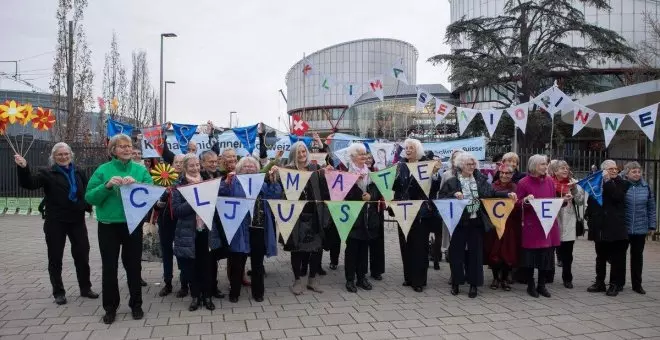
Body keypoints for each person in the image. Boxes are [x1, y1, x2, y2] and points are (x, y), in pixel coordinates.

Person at [14, 144, 98, 306]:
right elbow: (29, 183)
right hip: (56, 221)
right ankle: (58, 292)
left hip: (77, 220)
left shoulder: (78, 171)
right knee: (55, 257)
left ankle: (85, 288)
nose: (63, 156)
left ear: (71, 155)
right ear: (54, 156)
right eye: (59, 154)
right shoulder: (47, 173)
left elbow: (88, 190)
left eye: (66, 154)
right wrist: (23, 167)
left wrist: (87, 206)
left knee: (82, 255)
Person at [85, 134, 153, 324]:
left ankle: (136, 304)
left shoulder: (140, 170)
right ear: (113, 150)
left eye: (129, 146)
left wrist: (138, 185)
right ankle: (110, 308)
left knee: (133, 266)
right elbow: (90, 198)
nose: (126, 149)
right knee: (109, 268)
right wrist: (106, 186)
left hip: (133, 225)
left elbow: (151, 193)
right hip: (108, 226)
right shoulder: (103, 170)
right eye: (121, 146)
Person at [439, 153, 517, 298]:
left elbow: (491, 193)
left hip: (476, 221)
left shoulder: (480, 179)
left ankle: (474, 284)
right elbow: (441, 198)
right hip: (458, 222)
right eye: (469, 164)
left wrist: (507, 195)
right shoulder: (452, 181)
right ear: (461, 165)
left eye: (473, 164)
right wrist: (454, 194)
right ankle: (456, 282)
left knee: (475, 254)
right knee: (457, 254)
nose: (472, 167)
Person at [219, 156, 282, 302]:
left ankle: (258, 292)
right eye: (245, 166)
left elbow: (275, 194)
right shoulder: (233, 181)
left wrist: (273, 181)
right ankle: (234, 292)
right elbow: (221, 193)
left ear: (257, 169)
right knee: (237, 262)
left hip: (258, 227)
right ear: (239, 169)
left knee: (257, 263)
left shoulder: (261, 182)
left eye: (252, 166)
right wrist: (226, 183)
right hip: (240, 228)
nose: (249, 168)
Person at [172, 154, 224, 311]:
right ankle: (195, 296)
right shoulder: (179, 185)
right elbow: (176, 211)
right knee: (192, 266)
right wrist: (193, 200)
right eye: (191, 166)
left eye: (196, 165)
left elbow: (217, 206)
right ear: (185, 167)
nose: (195, 168)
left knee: (207, 265)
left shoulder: (208, 182)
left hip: (206, 231)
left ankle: (207, 296)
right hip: (189, 232)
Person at [281, 141, 328, 295]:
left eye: (304, 151)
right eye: (298, 152)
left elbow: (323, 189)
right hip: (296, 215)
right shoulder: (288, 170)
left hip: (314, 214)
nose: (302, 155)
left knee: (316, 249)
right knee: (297, 250)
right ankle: (297, 281)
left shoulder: (314, 169)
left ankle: (312, 280)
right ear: (293, 154)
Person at [392, 138, 439, 293]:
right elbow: (396, 187)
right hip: (403, 210)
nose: (408, 150)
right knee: (406, 245)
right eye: (406, 147)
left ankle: (419, 281)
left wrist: (435, 175)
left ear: (418, 150)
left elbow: (434, 187)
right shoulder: (401, 165)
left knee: (420, 246)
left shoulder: (427, 164)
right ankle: (409, 277)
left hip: (421, 212)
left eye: (411, 147)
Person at [516, 154, 563, 298]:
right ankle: (531, 285)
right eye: (542, 164)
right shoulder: (523, 182)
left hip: (547, 224)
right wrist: (525, 200)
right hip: (532, 225)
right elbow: (517, 203)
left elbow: (552, 200)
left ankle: (542, 285)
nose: (545, 166)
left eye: (546, 164)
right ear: (534, 166)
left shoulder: (549, 181)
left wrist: (563, 200)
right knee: (531, 258)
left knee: (545, 257)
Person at [586, 160, 629, 296]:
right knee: (600, 257)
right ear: (603, 170)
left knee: (616, 257)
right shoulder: (596, 183)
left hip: (615, 226)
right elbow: (591, 202)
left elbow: (617, 196)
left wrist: (608, 181)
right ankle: (599, 282)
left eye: (615, 168)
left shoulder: (621, 183)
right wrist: (591, 221)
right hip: (600, 226)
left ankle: (614, 284)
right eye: (610, 169)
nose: (614, 171)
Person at [343, 143, 382, 292]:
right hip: (352, 216)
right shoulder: (346, 172)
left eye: (365, 154)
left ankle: (362, 277)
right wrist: (358, 191)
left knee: (364, 248)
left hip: (368, 216)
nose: (364, 156)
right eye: (360, 154)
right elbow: (342, 192)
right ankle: (350, 279)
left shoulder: (371, 172)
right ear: (353, 157)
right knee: (352, 249)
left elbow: (378, 190)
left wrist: (371, 196)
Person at [483, 163, 520, 291]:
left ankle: (504, 279)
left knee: (508, 252)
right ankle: (495, 278)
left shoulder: (515, 187)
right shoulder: (492, 187)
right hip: (495, 224)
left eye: (508, 173)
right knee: (495, 252)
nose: (504, 175)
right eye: (502, 173)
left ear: (512, 174)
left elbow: (518, 205)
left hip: (510, 225)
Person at [155, 154, 187, 297]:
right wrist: (164, 195)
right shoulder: (162, 179)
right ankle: (167, 282)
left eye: (182, 162)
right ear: (172, 164)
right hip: (165, 220)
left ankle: (184, 283)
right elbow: (156, 206)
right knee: (166, 251)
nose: (179, 165)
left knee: (182, 251)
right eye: (176, 162)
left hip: (182, 220)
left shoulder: (189, 180)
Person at [550, 160, 585, 289]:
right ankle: (549, 275)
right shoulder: (549, 182)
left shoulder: (574, 183)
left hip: (569, 220)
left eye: (567, 168)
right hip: (554, 220)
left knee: (568, 253)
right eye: (561, 168)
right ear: (554, 171)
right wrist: (560, 199)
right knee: (550, 250)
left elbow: (581, 202)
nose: (565, 170)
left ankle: (567, 278)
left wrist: (574, 189)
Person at [623, 162, 656, 294]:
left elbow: (651, 208)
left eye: (638, 172)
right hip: (624, 227)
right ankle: (619, 282)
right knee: (620, 257)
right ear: (627, 173)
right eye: (633, 172)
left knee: (637, 257)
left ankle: (637, 284)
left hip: (640, 227)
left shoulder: (646, 187)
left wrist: (652, 225)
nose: (637, 174)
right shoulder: (623, 186)